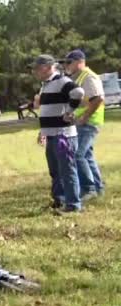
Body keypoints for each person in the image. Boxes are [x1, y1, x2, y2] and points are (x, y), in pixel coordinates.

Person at [32, 54, 85, 214]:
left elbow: (78, 92)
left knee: (67, 170)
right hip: (52, 135)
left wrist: (69, 112)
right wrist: (43, 131)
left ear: (48, 67)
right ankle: (59, 200)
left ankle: (73, 205)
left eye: (37, 68)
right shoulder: (46, 85)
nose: (35, 72)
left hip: (64, 136)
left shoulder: (62, 81)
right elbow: (47, 109)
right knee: (55, 170)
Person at [63, 49, 105, 200]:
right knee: (87, 155)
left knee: (77, 154)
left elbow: (98, 98)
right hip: (83, 121)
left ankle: (89, 189)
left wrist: (85, 117)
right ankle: (98, 188)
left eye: (69, 62)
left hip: (89, 123)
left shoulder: (88, 77)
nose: (66, 65)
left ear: (80, 62)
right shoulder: (79, 77)